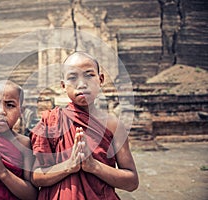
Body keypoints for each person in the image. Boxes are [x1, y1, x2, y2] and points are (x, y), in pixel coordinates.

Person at [30, 52, 139, 200]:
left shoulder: (113, 125)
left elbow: (132, 181)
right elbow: (36, 176)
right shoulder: (50, 121)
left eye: (89, 75)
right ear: (63, 85)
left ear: (101, 79)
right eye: (72, 78)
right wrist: (70, 165)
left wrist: (94, 166)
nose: (82, 84)